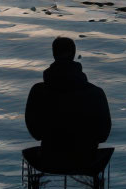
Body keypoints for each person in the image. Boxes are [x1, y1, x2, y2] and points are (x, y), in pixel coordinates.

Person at [25, 36, 111, 166]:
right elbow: (103, 135)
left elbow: (35, 132)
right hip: (86, 158)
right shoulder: (96, 93)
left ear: (54, 54)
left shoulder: (37, 91)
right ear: (74, 54)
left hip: (49, 157)